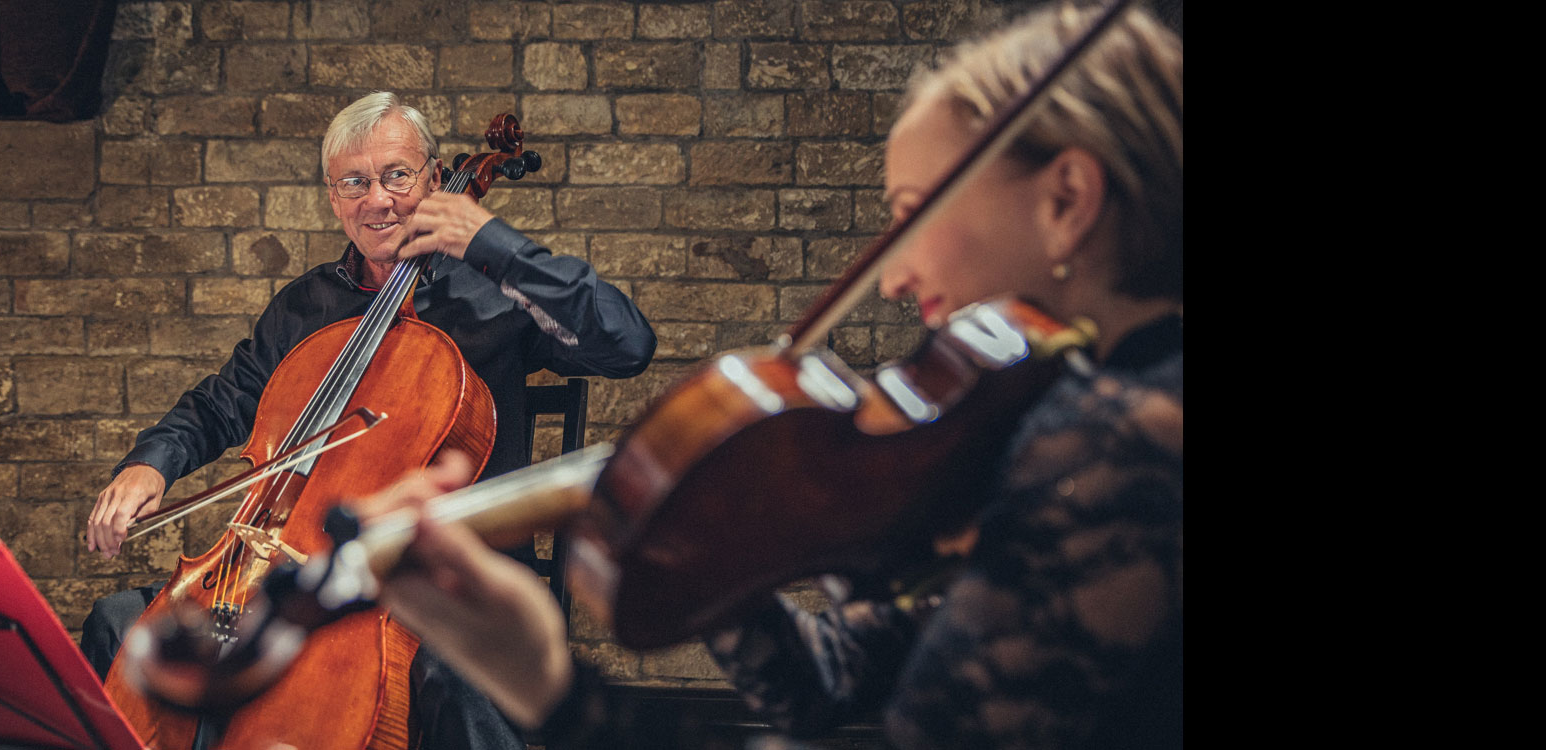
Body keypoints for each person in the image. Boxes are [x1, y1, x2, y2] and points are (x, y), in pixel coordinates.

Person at [364, 4, 1182, 748]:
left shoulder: (1123, 442)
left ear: (1066, 198)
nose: (893, 277)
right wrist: (731, 549)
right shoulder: (1046, 424)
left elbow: (621, 339)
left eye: (911, 212)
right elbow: (822, 687)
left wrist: (552, 687)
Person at [80, 91, 657, 749]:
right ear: (333, 198)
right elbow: (223, 402)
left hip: (444, 582)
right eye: (354, 182)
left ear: (436, 180)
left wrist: (495, 246)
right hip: (293, 572)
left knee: (462, 674)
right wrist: (148, 463)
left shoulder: (496, 292)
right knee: (121, 623)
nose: (377, 199)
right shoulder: (305, 307)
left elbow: (627, 346)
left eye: (396, 176)